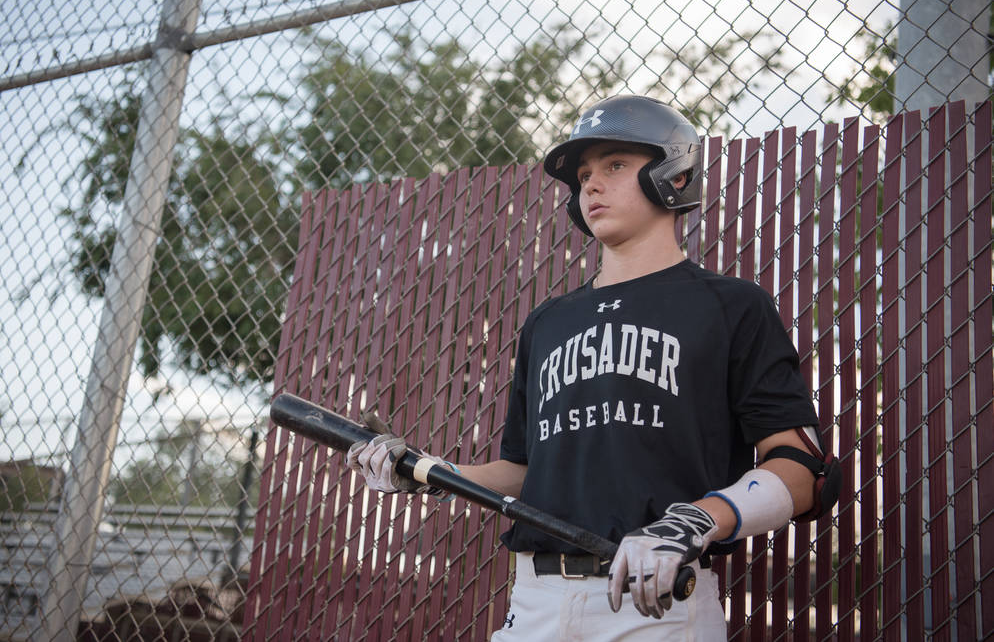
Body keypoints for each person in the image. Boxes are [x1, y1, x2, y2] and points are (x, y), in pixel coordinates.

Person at [347, 95, 839, 641]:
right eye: (583, 175)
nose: (591, 186)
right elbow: (524, 471)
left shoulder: (731, 306)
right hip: (535, 600)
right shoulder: (549, 322)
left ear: (672, 176)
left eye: (615, 166)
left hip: (656, 603)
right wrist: (426, 472)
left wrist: (695, 521)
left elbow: (800, 468)